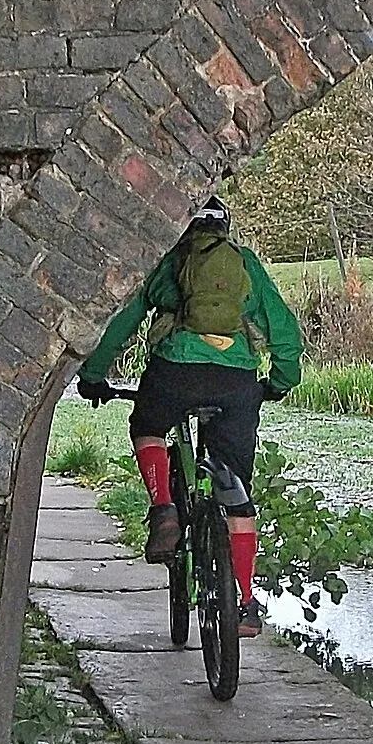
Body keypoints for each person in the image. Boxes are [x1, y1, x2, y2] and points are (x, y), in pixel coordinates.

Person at [74, 195, 302, 637]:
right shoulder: (245, 265)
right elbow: (284, 329)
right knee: (236, 489)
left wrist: (94, 375)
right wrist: (278, 381)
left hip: (174, 373)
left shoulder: (169, 263)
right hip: (236, 382)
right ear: (225, 228)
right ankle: (245, 601)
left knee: (148, 426)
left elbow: (125, 321)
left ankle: (163, 509)